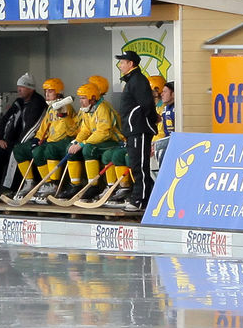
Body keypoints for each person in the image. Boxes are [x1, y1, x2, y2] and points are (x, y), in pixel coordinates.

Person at [56, 76, 121, 205]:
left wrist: (83, 144)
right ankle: (75, 185)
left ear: (92, 98)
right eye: (80, 98)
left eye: (83, 98)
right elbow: (85, 130)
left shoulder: (102, 108)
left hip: (114, 141)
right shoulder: (87, 110)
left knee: (88, 149)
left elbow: (103, 133)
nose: (80, 101)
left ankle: (93, 186)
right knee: (71, 148)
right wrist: (76, 142)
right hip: (98, 140)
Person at [14, 79, 76, 201]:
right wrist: (36, 139)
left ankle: (52, 183)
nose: (47, 94)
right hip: (50, 141)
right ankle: (30, 182)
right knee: (19, 150)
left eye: (50, 91)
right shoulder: (50, 108)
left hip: (64, 141)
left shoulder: (65, 106)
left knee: (42, 151)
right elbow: (43, 128)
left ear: (58, 92)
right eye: (45, 91)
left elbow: (70, 128)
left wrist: (63, 115)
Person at [115, 51, 158, 212]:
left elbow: (147, 105)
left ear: (131, 63)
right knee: (136, 165)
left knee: (139, 166)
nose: (120, 65)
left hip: (139, 130)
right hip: (133, 130)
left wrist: (151, 121)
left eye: (122, 62)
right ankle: (142, 197)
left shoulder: (138, 80)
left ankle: (140, 200)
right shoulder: (132, 80)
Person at [0, 73, 47, 194]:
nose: (19, 89)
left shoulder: (38, 103)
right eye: (18, 86)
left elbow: (33, 127)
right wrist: (0, 138)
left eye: (22, 87)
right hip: (12, 141)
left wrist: (19, 144)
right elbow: (5, 119)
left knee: (16, 152)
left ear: (31, 89)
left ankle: (11, 189)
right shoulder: (19, 102)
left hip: (31, 141)